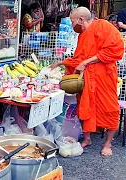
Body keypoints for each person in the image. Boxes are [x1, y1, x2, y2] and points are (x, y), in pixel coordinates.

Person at [50, 7, 125, 156]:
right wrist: (62, 63)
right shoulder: (82, 35)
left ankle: (108, 144)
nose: (72, 25)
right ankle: (87, 138)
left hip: (104, 77)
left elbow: (116, 50)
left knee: (110, 109)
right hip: (87, 79)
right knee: (85, 107)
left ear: (81, 20)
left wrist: (86, 63)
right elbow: (79, 58)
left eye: (72, 22)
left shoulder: (103, 26)